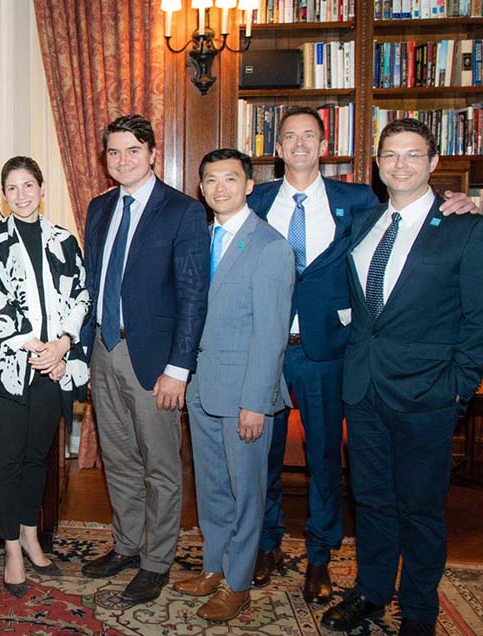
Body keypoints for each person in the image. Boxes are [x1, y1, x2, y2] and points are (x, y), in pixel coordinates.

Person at [248, 106, 480, 602]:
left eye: (310, 135)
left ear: (324, 144)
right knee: (264, 459)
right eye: (290, 136)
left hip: (331, 354)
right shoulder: (255, 199)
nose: (301, 144)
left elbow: (436, 243)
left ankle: (321, 556)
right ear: (277, 146)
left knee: (328, 462)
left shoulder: (357, 202)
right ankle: (267, 544)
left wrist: (468, 203)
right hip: (268, 352)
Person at [321, 119, 483, 636]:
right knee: (371, 501)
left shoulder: (465, 225)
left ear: (434, 163)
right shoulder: (366, 221)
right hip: (364, 388)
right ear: (377, 163)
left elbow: (477, 318)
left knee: (419, 509)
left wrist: (459, 384)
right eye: (390, 155)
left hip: (428, 394)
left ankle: (419, 612)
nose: (400, 165)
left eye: (413, 155)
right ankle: (371, 593)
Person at [79, 114, 210, 604]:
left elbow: (194, 295)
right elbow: (93, 282)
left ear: (153, 153)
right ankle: (128, 545)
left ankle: (157, 561)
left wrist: (179, 368)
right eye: (113, 152)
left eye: (133, 150)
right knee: (117, 458)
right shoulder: (99, 207)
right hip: (104, 350)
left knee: (160, 465)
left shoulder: (181, 210)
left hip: (153, 358)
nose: (123, 160)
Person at [174, 149, 294, 622]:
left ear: (249, 185)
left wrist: (256, 404)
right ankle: (213, 567)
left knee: (247, 493)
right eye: (210, 180)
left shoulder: (269, 246)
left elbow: (271, 334)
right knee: (212, 487)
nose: (219, 188)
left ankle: (239, 583)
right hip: (203, 389)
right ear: (200, 188)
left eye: (230, 179)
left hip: (245, 394)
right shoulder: (200, 239)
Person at [0, 156, 90, 597]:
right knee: (7, 458)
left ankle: (30, 533)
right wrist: (35, 347)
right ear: (4, 194)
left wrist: (62, 345)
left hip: (54, 366)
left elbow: (81, 295)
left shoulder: (65, 240)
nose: (20, 195)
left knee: (36, 457)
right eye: (12, 188)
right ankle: (12, 550)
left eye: (28, 186)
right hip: (7, 370)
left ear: (42, 190)